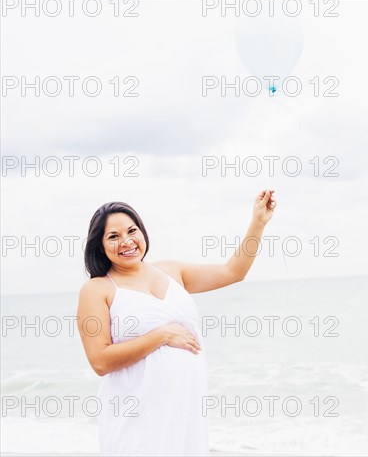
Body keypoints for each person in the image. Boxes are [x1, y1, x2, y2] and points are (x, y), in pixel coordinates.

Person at [76, 190, 276, 456]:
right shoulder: (97, 289)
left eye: (132, 230)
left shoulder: (171, 271)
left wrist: (258, 223)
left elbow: (233, 272)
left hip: (184, 416)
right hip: (135, 423)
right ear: (100, 246)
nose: (126, 241)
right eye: (113, 236)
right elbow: (100, 361)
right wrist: (161, 335)